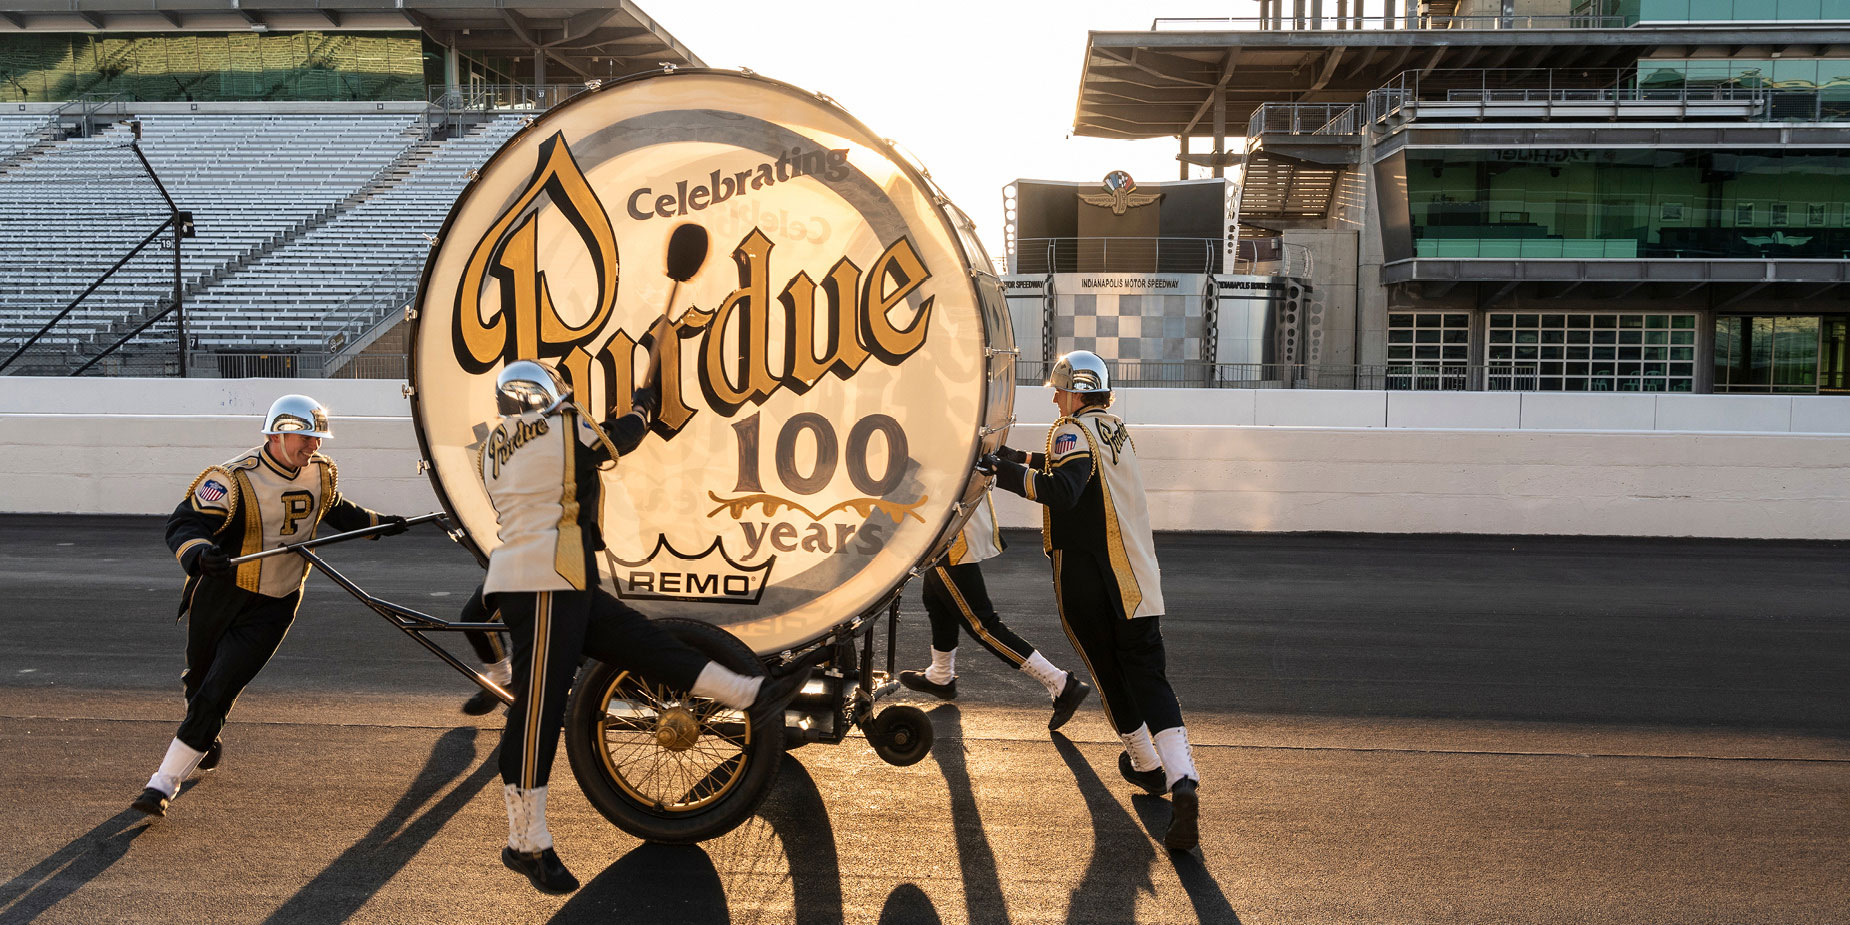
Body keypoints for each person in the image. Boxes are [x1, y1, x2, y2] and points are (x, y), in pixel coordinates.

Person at [478, 360, 815, 894]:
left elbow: (566, 464)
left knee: (645, 645)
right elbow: (622, 438)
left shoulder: (493, 442)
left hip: (555, 576)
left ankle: (750, 692)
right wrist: (643, 403)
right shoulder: (562, 428)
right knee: (539, 710)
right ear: (547, 398)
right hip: (545, 578)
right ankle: (525, 841)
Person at [132, 394, 409, 819]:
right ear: (278, 433)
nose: (313, 446)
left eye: (318, 438)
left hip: (276, 603)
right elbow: (183, 524)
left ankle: (161, 784)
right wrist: (200, 554)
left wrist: (383, 525)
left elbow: (337, 511)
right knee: (200, 681)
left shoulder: (320, 473)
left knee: (219, 689)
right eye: (306, 437)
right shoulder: (232, 479)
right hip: (221, 596)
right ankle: (203, 735)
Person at [982, 350, 1202, 853]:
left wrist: (1000, 474)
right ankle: (1180, 778)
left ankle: (1145, 763)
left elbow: (1064, 489)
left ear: (1077, 392)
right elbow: (1079, 470)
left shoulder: (1070, 430)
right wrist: (1017, 459)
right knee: (1148, 676)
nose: (1056, 399)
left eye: (1060, 391)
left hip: (1091, 579)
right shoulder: (1115, 430)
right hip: (1140, 579)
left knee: (1107, 672)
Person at [897, 489, 1091, 730]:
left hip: (949, 530)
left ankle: (1060, 683)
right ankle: (940, 675)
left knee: (983, 625)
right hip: (949, 522)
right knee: (936, 600)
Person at [456, 582, 510, 716]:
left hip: (530, 570)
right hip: (505, 567)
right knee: (474, 618)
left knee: (478, 618)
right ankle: (503, 679)